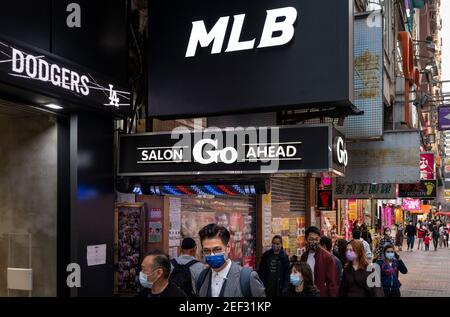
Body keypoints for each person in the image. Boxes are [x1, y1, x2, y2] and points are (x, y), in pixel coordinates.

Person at [196, 224, 266, 297]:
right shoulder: (202, 277)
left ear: (228, 247)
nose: (212, 255)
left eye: (217, 249)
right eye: (207, 251)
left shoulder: (247, 278)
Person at [300, 226, 339, 297]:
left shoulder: (327, 257)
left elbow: (332, 282)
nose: (314, 242)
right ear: (306, 240)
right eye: (311, 239)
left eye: (316, 239)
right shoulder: (304, 257)